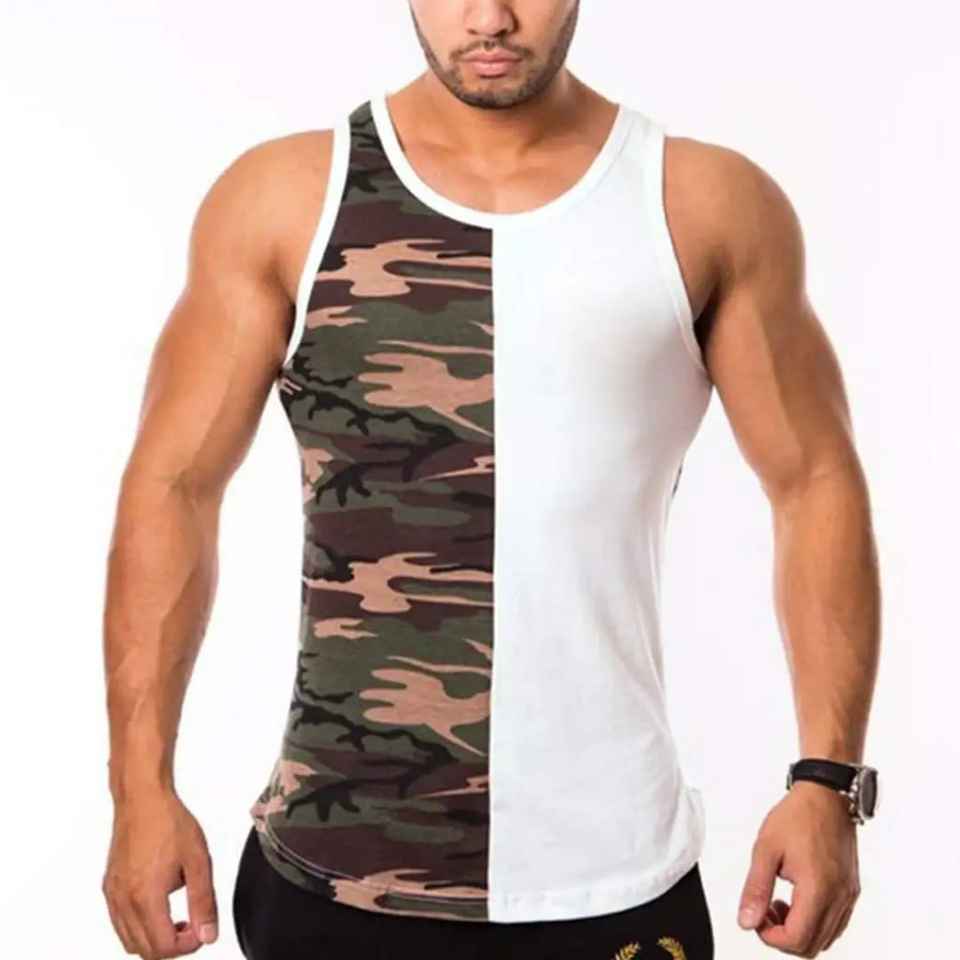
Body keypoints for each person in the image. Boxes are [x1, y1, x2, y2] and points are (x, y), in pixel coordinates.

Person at [100, 2, 881, 958]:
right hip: (337, 873)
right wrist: (140, 791)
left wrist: (827, 780)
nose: (490, 16)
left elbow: (815, 481)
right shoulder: (291, 198)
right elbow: (174, 486)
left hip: (615, 872)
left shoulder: (699, 202)